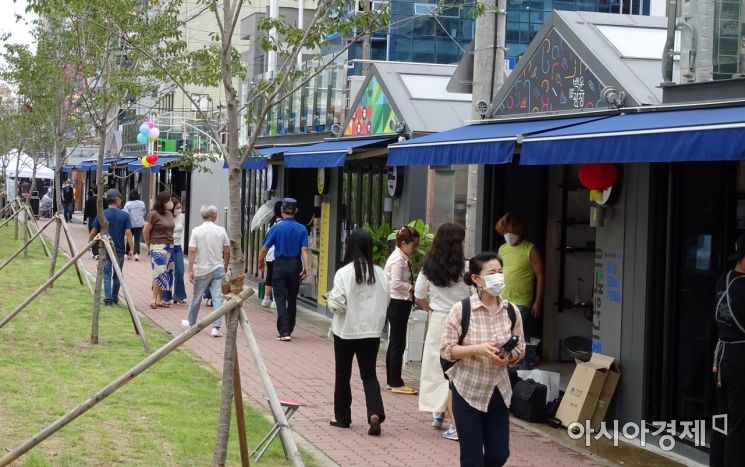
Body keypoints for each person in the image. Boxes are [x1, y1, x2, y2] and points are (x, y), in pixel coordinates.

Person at [441, 252, 525, 467]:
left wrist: (508, 357)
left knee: (499, 454)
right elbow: (446, 350)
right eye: (492, 273)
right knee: (472, 459)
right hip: (468, 390)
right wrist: (478, 349)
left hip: (499, 391)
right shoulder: (462, 310)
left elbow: (520, 349)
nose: (498, 277)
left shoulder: (511, 311)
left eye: (500, 272)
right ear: (477, 279)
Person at [326, 229, 389, 436]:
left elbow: (338, 304)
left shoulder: (344, 272)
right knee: (369, 375)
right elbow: (386, 300)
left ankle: (342, 417)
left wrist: (329, 300)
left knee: (342, 374)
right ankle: (375, 413)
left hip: (345, 331)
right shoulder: (380, 273)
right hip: (371, 333)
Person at [415, 223, 471, 441]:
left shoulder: (429, 267)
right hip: (463, 321)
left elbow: (419, 294)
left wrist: (431, 307)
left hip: (439, 320)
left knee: (436, 368)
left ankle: (440, 415)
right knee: (455, 371)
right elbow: (475, 295)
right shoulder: (467, 268)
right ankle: (447, 417)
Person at [710, 235, 745, 467]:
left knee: (721, 420)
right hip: (740, 359)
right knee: (739, 424)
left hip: (720, 358)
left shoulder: (724, 280)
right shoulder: (743, 287)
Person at [495, 213, 544, 368]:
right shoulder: (502, 249)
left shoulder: (530, 249)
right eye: (505, 232)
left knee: (514, 334)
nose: (508, 235)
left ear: (520, 230)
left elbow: (541, 276)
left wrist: (537, 302)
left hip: (522, 301)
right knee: (506, 333)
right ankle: (525, 358)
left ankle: (523, 360)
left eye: (511, 231)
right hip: (502, 299)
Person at [258, 198, 310, 342]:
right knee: (292, 297)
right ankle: (290, 327)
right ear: (296, 211)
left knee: (280, 297)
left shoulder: (276, 227)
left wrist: (260, 262)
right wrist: (307, 267)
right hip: (295, 265)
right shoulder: (302, 228)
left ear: (282, 211)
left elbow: (264, 249)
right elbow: (304, 249)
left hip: (279, 264)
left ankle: (284, 330)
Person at [181, 204, 230, 338]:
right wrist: (225, 264)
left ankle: (191, 322)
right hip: (218, 267)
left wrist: (190, 269)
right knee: (217, 297)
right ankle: (216, 327)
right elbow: (227, 249)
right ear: (214, 216)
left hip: (202, 268)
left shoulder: (196, 231)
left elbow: (192, 250)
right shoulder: (221, 230)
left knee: (197, 296)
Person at [383, 225, 420, 395]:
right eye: (413, 245)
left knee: (395, 342)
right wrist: (412, 287)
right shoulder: (398, 259)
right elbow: (395, 283)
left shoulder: (400, 257)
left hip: (398, 303)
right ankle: (395, 381)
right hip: (398, 303)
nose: (415, 249)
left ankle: (393, 380)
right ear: (403, 243)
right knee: (398, 343)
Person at [88, 189, 134, 307]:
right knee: (118, 274)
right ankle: (114, 297)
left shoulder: (102, 214)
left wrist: (89, 243)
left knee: (106, 273)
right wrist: (131, 249)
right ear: (118, 200)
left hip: (104, 248)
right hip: (119, 249)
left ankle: (108, 298)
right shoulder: (124, 215)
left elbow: (93, 231)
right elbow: (128, 233)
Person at [143, 192, 176, 309]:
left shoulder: (169, 214)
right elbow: (146, 231)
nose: (171, 203)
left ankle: (159, 298)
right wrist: (148, 245)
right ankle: (153, 297)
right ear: (163, 202)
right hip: (157, 246)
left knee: (165, 272)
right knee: (160, 271)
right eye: (169, 200)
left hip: (169, 245)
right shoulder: (153, 214)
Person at [163, 197, 187, 305]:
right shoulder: (166, 217)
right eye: (177, 207)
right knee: (168, 272)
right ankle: (166, 296)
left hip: (178, 247)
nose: (179, 210)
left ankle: (179, 295)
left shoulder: (181, 217)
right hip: (168, 246)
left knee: (180, 271)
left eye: (180, 208)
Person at [261, 200, 284, 309]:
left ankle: (266, 299)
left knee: (269, 277)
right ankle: (275, 301)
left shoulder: (271, 224)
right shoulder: (283, 225)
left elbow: (266, 243)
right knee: (277, 279)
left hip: (269, 256)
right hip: (278, 256)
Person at [123, 189, 147, 261]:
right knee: (137, 239)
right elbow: (144, 212)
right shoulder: (142, 203)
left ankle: (128, 254)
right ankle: (136, 254)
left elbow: (125, 214)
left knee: (129, 238)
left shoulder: (128, 204)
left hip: (130, 223)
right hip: (139, 223)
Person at [83, 188, 100, 259]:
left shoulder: (89, 200)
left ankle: (95, 252)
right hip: (100, 219)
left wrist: (84, 219)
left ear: (93, 191)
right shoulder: (103, 200)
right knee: (100, 235)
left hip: (92, 220)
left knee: (93, 235)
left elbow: (86, 210)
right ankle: (98, 251)